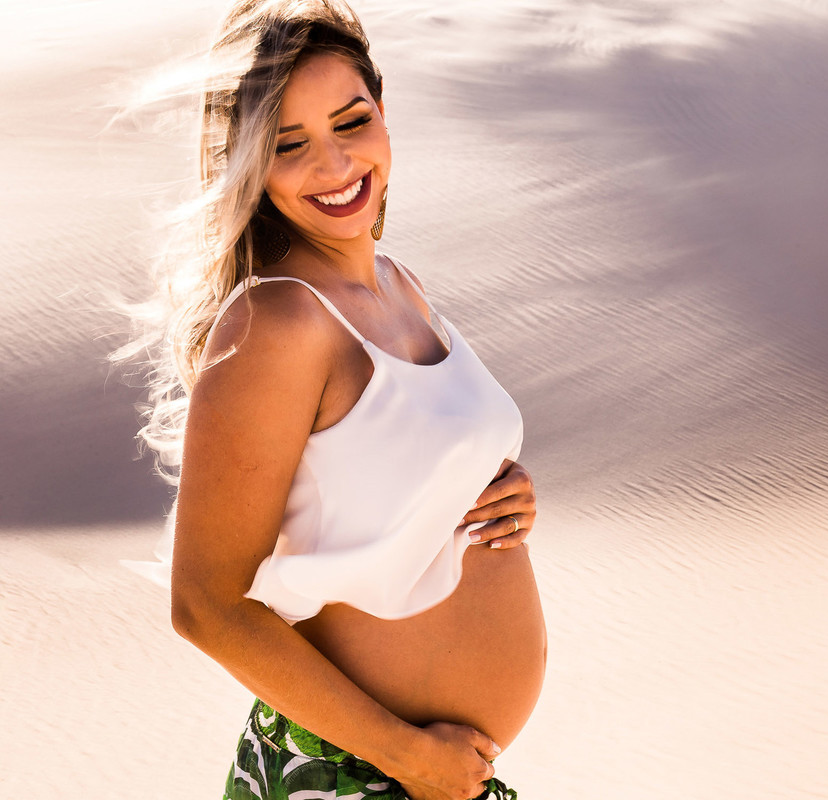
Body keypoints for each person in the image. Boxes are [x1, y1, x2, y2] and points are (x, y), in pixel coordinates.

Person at [122, 2, 546, 798]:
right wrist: (406, 756)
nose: (335, 163)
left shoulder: (399, 285)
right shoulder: (278, 322)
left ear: (383, 109)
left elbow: (383, 479)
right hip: (347, 773)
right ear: (250, 165)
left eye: (351, 122)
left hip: (428, 775)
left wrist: (504, 495)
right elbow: (204, 605)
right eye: (290, 145)